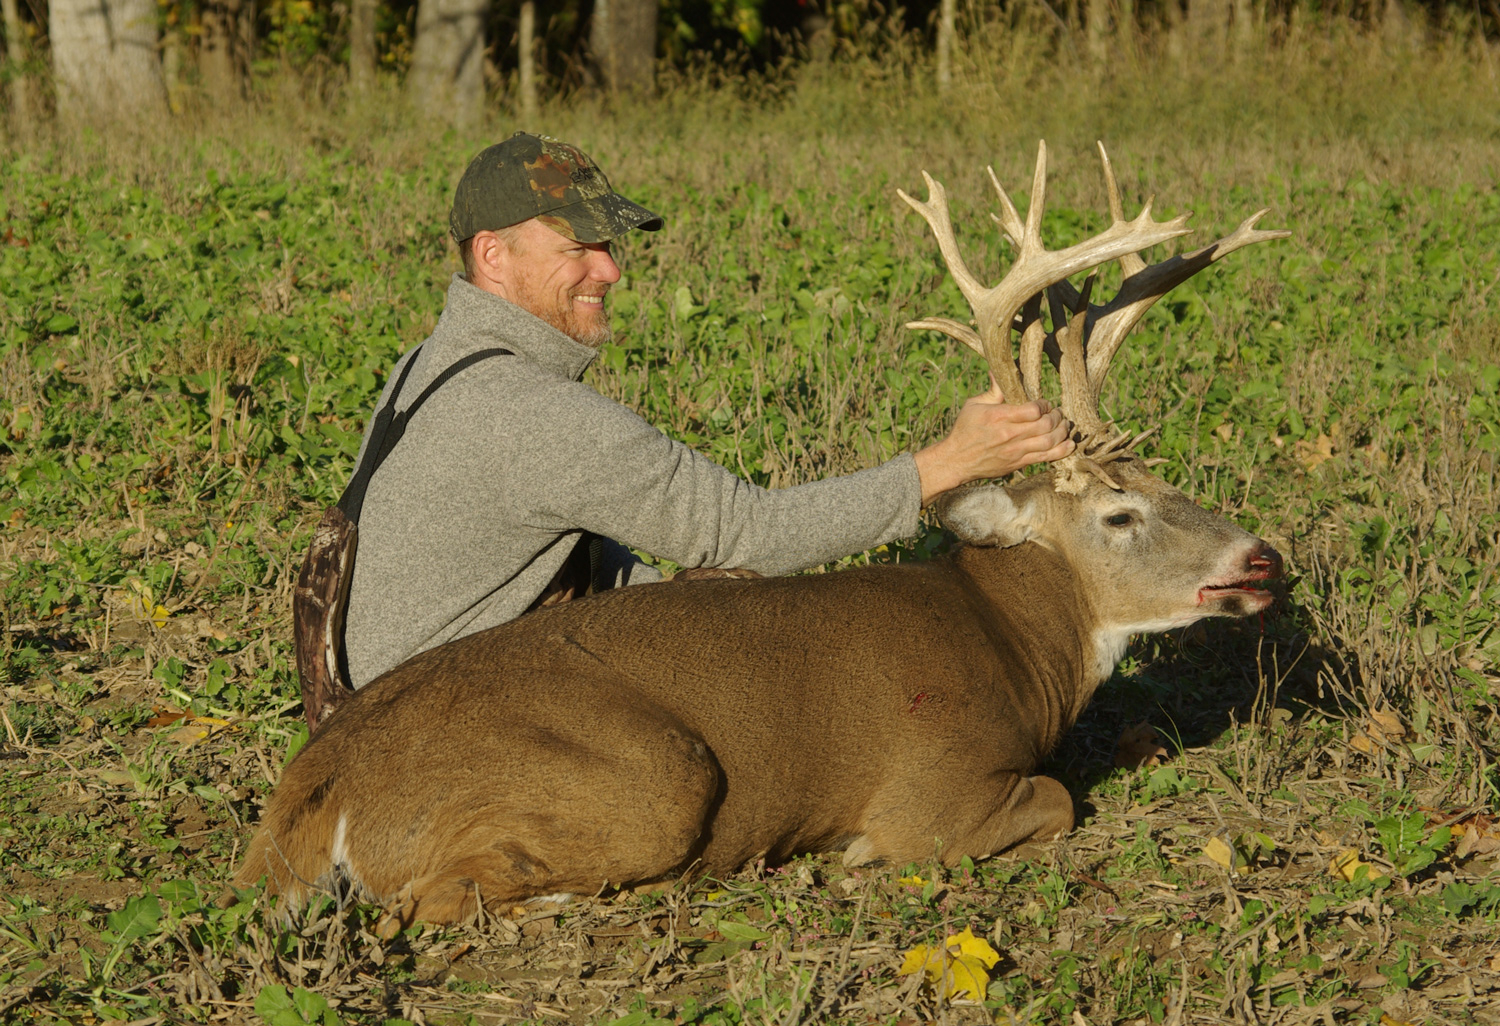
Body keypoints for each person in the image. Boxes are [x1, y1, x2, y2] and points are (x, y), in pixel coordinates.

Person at [340, 132, 1074, 690]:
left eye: (611, 243)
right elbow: (750, 532)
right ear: (493, 255)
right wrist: (950, 465)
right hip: (438, 732)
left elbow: (584, 564)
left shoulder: (431, 365)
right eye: (579, 245)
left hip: (378, 708)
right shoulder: (530, 414)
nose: (611, 268)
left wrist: (694, 609)